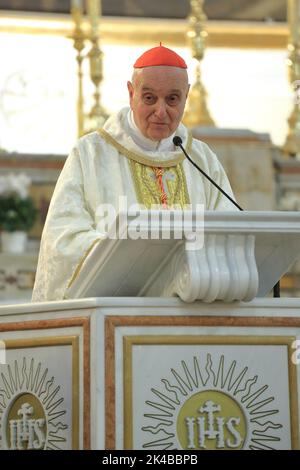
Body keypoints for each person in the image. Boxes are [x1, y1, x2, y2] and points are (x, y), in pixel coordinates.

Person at [32, 44, 236, 302]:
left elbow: (231, 233)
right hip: (115, 312)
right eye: (149, 98)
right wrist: (132, 256)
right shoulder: (91, 154)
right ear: (131, 93)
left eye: (172, 99)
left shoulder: (202, 160)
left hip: (191, 313)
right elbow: (63, 241)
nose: (161, 112)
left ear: (186, 96)